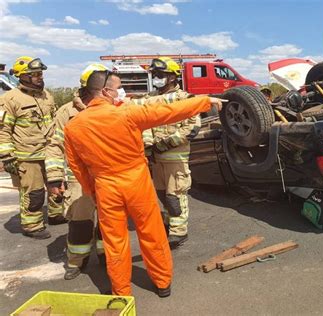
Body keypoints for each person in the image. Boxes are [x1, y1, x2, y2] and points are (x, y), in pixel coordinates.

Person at [64, 70, 223, 297]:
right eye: (118, 87)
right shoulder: (127, 113)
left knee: (114, 242)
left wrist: (92, 191)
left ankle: (121, 292)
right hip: (136, 181)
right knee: (151, 232)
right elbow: (169, 111)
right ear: (106, 91)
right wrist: (205, 101)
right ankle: (162, 282)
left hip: (105, 187)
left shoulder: (74, 126)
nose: (122, 92)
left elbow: (76, 166)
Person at [45, 64, 108, 280]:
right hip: (78, 179)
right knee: (80, 222)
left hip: (107, 178)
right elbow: (54, 145)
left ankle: (106, 256)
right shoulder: (67, 112)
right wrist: (54, 177)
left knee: (109, 222)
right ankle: (76, 261)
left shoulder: (111, 107)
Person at [0, 56, 66, 240]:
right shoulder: (9, 99)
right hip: (27, 156)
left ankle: (56, 215)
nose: (39, 77)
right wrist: (7, 156)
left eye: (40, 74)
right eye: (34, 74)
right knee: (34, 193)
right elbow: (3, 130)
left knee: (58, 186)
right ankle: (32, 225)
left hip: (50, 153)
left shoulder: (47, 96)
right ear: (22, 76)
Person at [144, 57, 201, 249]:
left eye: (161, 75)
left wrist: (164, 145)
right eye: (155, 75)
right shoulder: (150, 98)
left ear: (172, 77)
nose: (157, 78)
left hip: (175, 157)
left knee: (175, 195)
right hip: (155, 158)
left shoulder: (186, 99)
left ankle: (178, 232)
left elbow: (192, 128)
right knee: (162, 194)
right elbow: (144, 123)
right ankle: (169, 224)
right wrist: (149, 145)